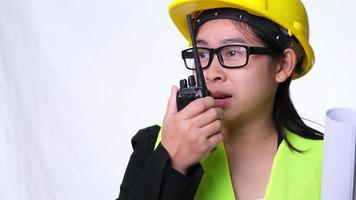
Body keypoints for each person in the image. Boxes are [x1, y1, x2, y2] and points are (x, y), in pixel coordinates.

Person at [117, 0, 323, 199]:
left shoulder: (334, 159)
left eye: (233, 52)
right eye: (203, 54)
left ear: (283, 65)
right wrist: (173, 163)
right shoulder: (154, 144)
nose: (211, 73)